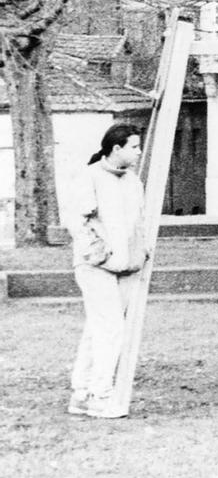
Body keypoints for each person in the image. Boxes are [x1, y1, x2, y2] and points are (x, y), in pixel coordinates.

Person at [68, 124, 151, 419]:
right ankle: (100, 395)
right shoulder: (89, 177)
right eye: (134, 147)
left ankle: (80, 392)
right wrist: (101, 256)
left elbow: (138, 222)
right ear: (116, 149)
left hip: (127, 268)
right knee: (111, 328)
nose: (139, 152)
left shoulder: (133, 181)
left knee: (98, 329)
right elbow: (79, 224)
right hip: (95, 267)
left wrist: (140, 253)